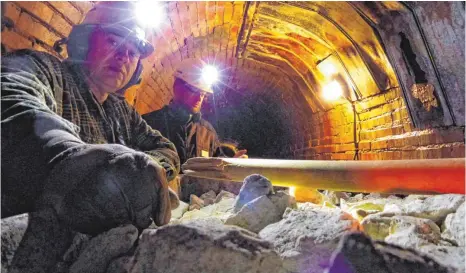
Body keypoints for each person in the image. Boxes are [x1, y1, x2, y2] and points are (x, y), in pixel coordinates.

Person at [1, 2, 180, 234]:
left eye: (133, 52)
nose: (123, 56)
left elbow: (165, 148)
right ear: (83, 43)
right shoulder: (46, 69)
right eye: (113, 42)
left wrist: (145, 172)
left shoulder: (122, 112)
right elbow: (11, 98)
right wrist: (69, 160)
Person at [142, 58, 247, 166]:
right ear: (177, 88)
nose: (199, 99)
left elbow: (217, 167)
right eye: (194, 91)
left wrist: (232, 163)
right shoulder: (147, 125)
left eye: (202, 94)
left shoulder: (208, 133)